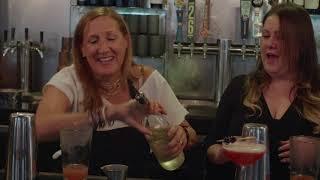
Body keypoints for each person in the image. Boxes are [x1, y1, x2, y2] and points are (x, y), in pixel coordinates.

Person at [35, 7, 197, 178]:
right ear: (82, 48)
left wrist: (182, 136)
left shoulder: (147, 80)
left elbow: (191, 133)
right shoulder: (69, 80)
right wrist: (109, 113)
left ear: (125, 42)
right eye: (93, 41)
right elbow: (39, 127)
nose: (103, 48)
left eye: (111, 38)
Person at [205, 3, 320, 180]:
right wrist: (225, 152)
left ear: (301, 46)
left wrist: (317, 154)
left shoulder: (317, 93)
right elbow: (210, 147)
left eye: (280, 38)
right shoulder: (239, 87)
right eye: (265, 35)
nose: (270, 44)